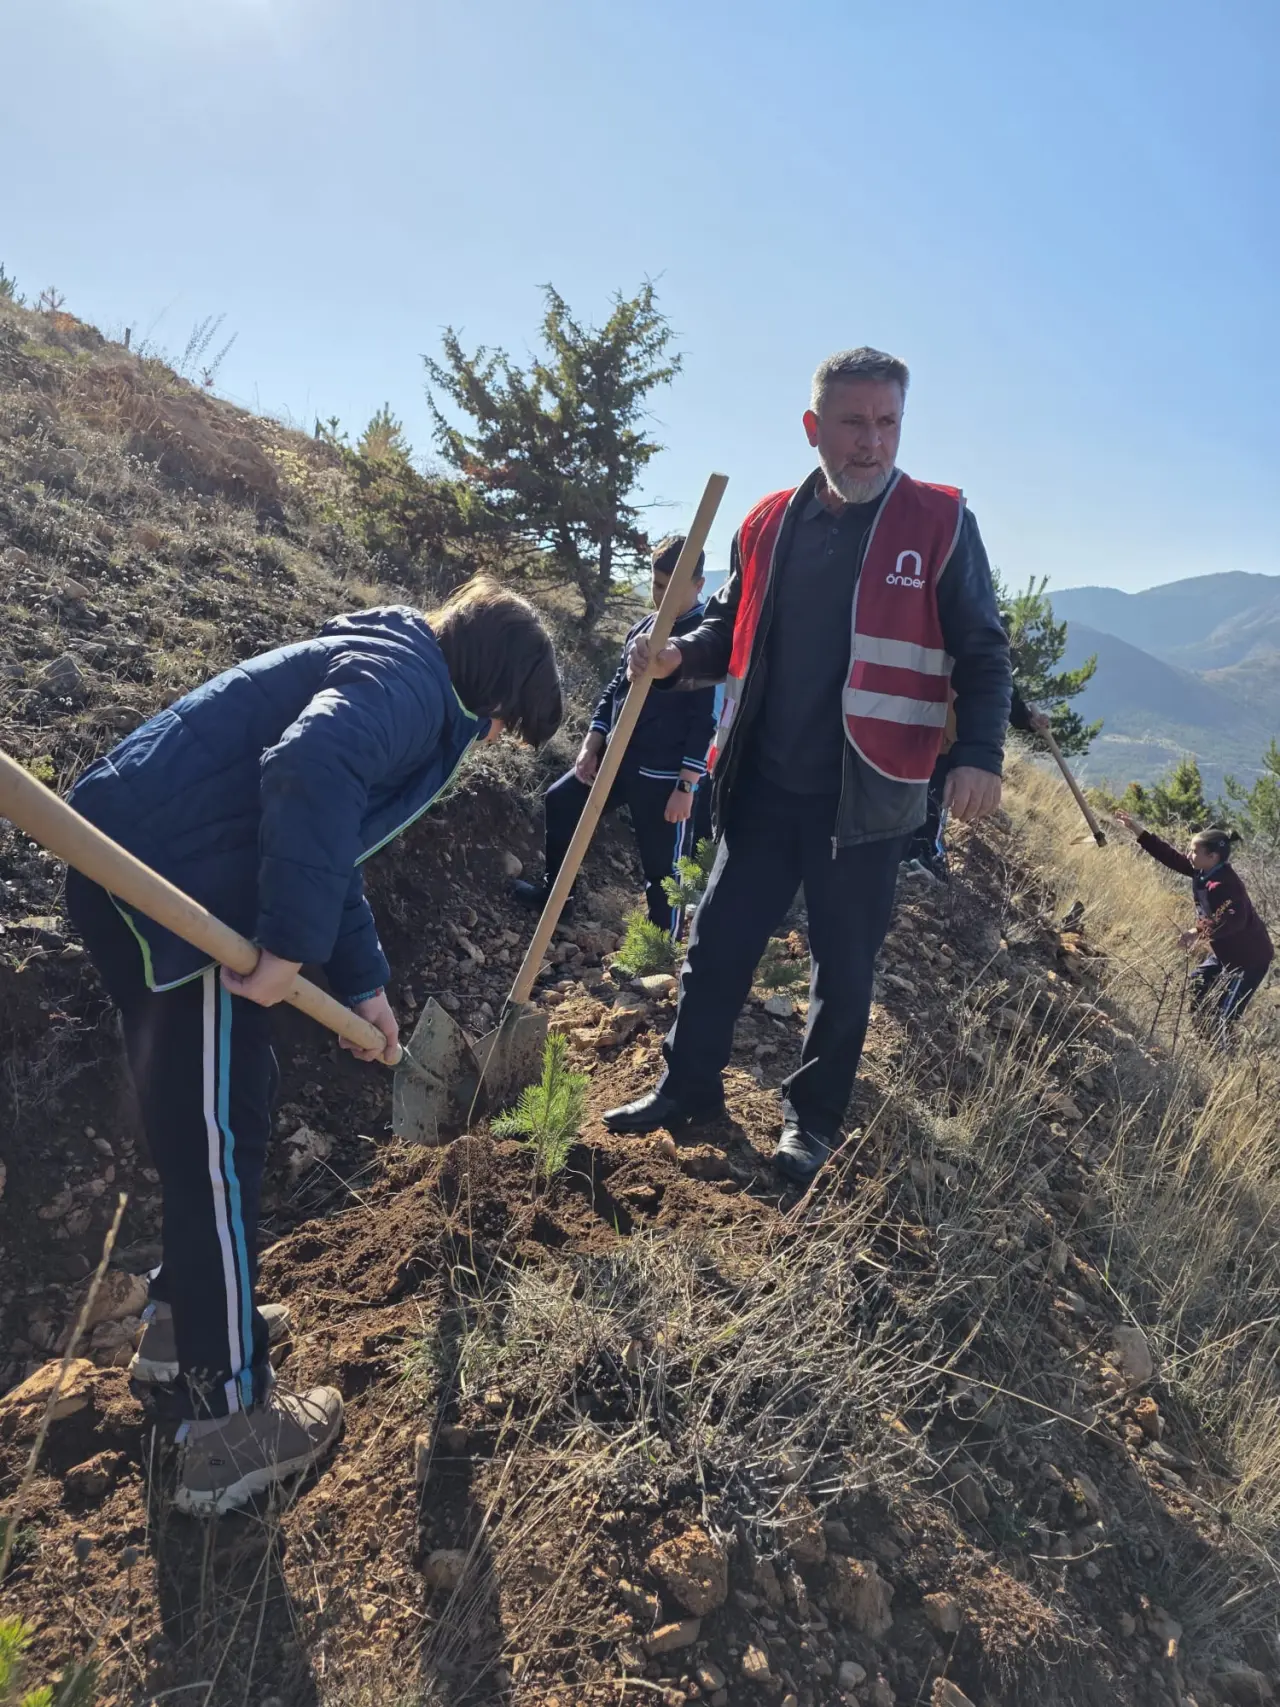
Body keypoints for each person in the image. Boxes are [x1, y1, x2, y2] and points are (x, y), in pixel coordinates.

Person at [65, 579, 561, 1513]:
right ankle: (223, 1420)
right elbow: (313, 765)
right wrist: (288, 942)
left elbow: (329, 840)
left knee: (227, 1105)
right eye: (501, 722)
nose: (491, 740)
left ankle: (185, 1326)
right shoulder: (412, 690)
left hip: (143, 864)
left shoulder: (393, 659)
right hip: (173, 887)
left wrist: (364, 986)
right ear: (489, 696)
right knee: (214, 1144)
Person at [603, 347, 1012, 1182]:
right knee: (717, 944)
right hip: (762, 782)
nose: (872, 442)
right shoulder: (766, 524)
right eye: (854, 423)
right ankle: (687, 1088)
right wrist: (679, 653)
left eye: (887, 423)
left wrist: (980, 756)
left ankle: (811, 1124)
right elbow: (727, 630)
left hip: (867, 794)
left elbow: (983, 650)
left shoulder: (939, 521)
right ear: (813, 427)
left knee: (844, 966)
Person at [511, 535, 717, 937]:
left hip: (664, 777)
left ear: (698, 585)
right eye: (657, 586)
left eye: (672, 588)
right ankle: (557, 900)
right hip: (617, 759)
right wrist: (593, 741)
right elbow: (614, 690)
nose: (661, 597)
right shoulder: (643, 629)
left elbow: (706, 719)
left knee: (662, 868)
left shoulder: (705, 640)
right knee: (562, 801)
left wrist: (686, 786)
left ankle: (662, 948)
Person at [1114, 813, 1273, 1044]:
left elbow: (1234, 921)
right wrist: (1138, 831)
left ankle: (1220, 1053)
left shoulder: (1226, 884)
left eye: (1194, 851)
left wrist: (1197, 932)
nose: (1189, 855)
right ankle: (1202, 1039)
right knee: (1198, 982)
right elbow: (1171, 858)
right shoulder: (1202, 871)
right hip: (1225, 954)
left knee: (1225, 1014)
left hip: (1249, 960)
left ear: (1213, 856)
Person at [902, 687, 1050, 880]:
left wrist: (1027, 719)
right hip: (912, 732)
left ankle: (923, 857)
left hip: (946, 742)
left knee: (933, 801)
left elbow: (998, 689)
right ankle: (904, 854)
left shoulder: (982, 661)